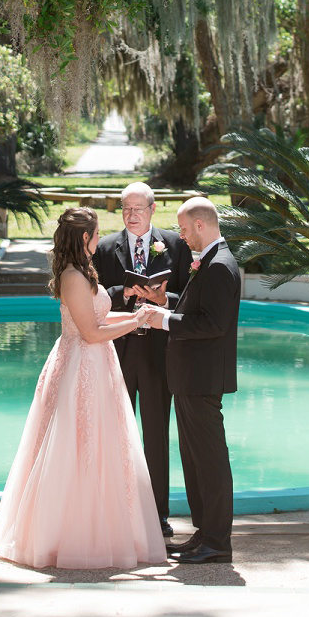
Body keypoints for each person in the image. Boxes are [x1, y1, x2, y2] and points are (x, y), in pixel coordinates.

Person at [0, 206, 166, 570]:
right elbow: (91, 333)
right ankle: (67, 537)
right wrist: (135, 324)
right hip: (81, 368)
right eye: (97, 234)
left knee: (102, 448)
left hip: (97, 365)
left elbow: (98, 318)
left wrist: (136, 314)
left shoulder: (85, 271)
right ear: (85, 238)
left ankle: (108, 531)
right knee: (76, 448)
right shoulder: (72, 276)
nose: (100, 240)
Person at [142, 196, 240, 565]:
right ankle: (204, 535)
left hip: (201, 380)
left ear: (200, 225)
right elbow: (197, 309)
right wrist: (165, 303)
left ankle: (217, 542)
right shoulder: (211, 262)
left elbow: (212, 325)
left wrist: (162, 321)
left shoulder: (219, 265)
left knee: (210, 462)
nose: (181, 237)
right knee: (196, 460)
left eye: (183, 229)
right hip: (189, 379)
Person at [95, 180, 190, 537]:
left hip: (157, 355)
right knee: (115, 433)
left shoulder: (177, 245)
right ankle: (114, 510)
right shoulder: (105, 248)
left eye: (138, 209)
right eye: (126, 209)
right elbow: (95, 296)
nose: (132, 215)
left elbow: (189, 299)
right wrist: (125, 292)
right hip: (117, 352)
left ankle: (158, 514)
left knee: (155, 435)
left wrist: (163, 300)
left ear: (153, 210)